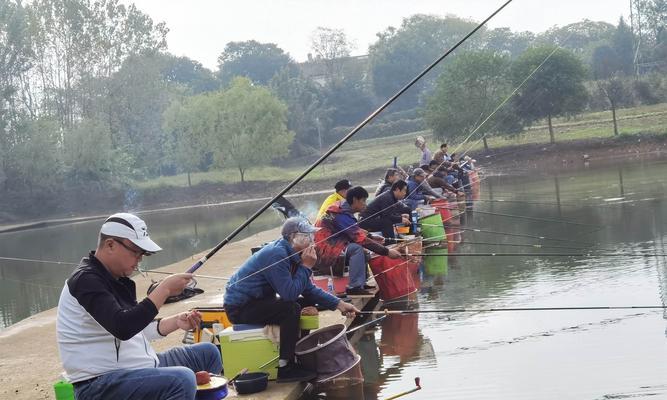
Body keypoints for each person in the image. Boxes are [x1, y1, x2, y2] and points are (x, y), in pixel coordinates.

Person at [57, 213, 222, 400]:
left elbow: (137, 328)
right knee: (182, 379)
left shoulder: (118, 280)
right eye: (136, 252)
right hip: (99, 384)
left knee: (209, 353)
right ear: (110, 244)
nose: (139, 259)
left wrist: (176, 321)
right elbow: (123, 327)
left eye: (142, 254)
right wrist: (164, 289)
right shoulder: (85, 279)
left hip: (141, 366)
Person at [223, 217, 359, 383]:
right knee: (291, 308)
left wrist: (340, 304)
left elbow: (307, 289)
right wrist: (306, 267)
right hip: (240, 308)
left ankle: (297, 353)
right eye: (308, 236)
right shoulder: (276, 254)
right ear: (294, 237)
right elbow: (288, 295)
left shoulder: (293, 253)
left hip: (257, 303)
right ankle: (285, 367)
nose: (312, 240)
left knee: (304, 303)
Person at [315, 186, 403, 295]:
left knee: (363, 250)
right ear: (355, 200)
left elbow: (354, 231)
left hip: (335, 243)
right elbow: (359, 238)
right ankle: (354, 287)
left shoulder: (344, 210)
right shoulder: (341, 214)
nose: (365, 204)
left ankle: (361, 283)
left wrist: (371, 236)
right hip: (325, 250)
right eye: (363, 201)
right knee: (356, 249)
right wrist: (387, 252)